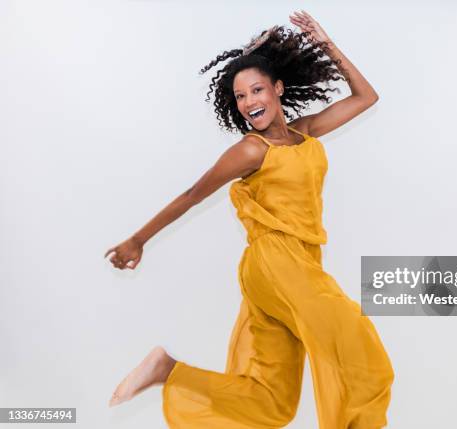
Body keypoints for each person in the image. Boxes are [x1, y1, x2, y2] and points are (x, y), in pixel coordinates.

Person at [104, 10, 394, 429]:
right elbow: (191, 195)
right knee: (353, 338)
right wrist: (137, 239)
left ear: (277, 89)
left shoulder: (305, 133)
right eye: (241, 97)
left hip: (300, 265)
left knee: (271, 403)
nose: (249, 102)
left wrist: (326, 43)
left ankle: (168, 370)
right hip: (275, 262)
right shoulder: (251, 151)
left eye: (256, 90)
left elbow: (366, 98)